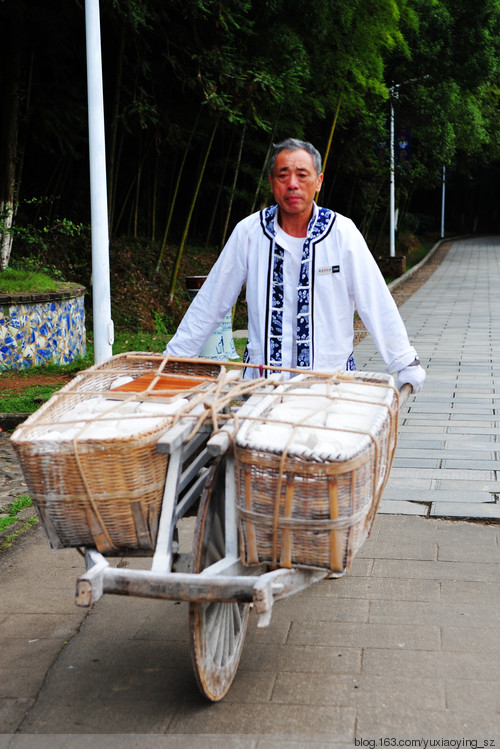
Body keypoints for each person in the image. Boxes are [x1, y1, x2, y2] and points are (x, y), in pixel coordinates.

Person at [165, 137, 426, 393]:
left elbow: (375, 300)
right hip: (261, 388)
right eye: (283, 175)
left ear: (319, 182)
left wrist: (404, 360)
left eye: (302, 175)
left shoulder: (341, 233)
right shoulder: (249, 232)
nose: (292, 184)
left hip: (329, 386)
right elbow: (211, 301)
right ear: (271, 182)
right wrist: (173, 359)